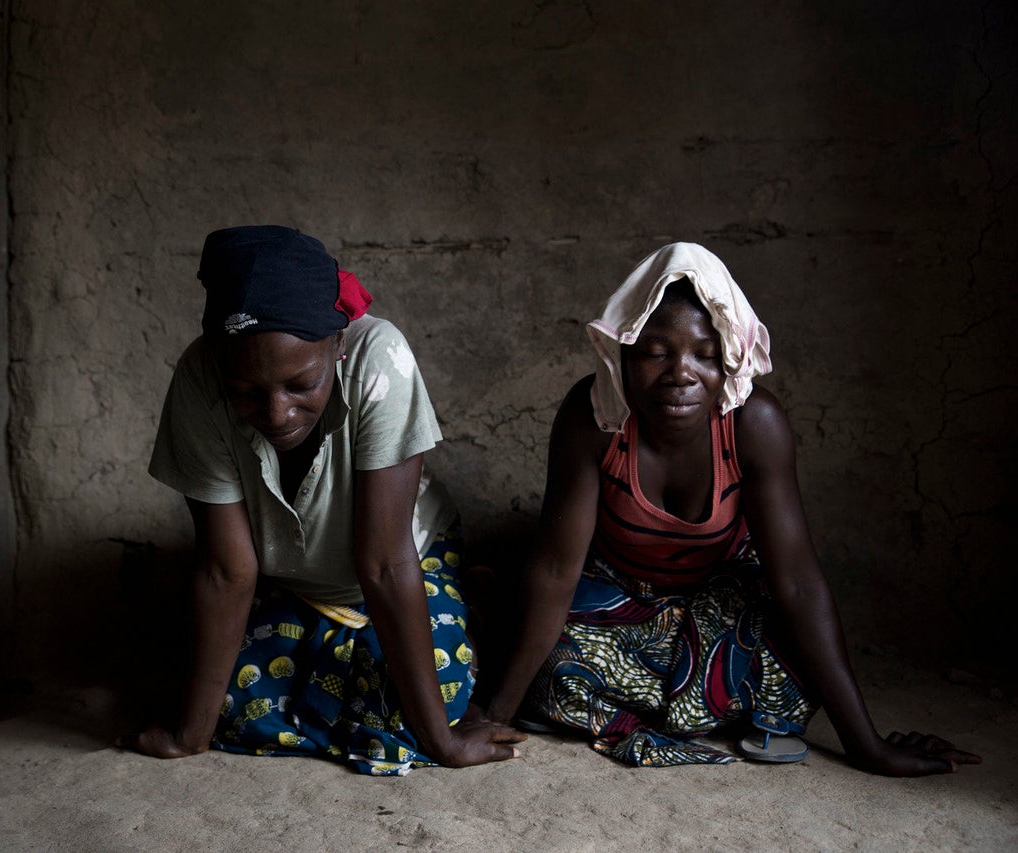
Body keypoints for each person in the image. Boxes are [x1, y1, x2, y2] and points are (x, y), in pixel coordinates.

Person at [481, 242, 981, 774]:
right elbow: (557, 571)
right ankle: (709, 713)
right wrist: (492, 716)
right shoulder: (595, 418)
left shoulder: (753, 424)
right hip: (620, 596)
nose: (681, 373)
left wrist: (868, 745)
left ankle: (637, 710)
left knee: (790, 643)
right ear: (622, 354)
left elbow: (798, 583)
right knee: (542, 650)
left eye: (706, 353)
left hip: (721, 603)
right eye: (655, 352)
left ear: (732, 358)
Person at [121, 225, 524, 775]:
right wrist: (192, 735)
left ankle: (458, 607)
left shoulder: (380, 358)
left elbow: (384, 563)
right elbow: (226, 570)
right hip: (290, 581)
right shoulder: (199, 377)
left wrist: (444, 744)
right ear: (219, 363)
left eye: (299, 384)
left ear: (338, 343)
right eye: (246, 392)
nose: (277, 412)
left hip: (401, 567)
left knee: (433, 698)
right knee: (221, 708)